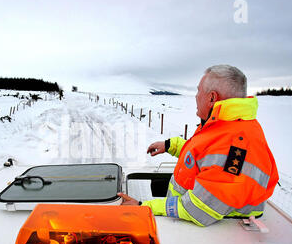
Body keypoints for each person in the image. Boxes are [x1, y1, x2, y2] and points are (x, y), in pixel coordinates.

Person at [118, 65, 279, 226]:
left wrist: (143, 206)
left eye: (198, 91)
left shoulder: (235, 145)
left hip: (214, 234)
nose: (195, 97)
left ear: (212, 98)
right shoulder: (226, 125)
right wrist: (170, 145)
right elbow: (204, 155)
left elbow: (198, 208)